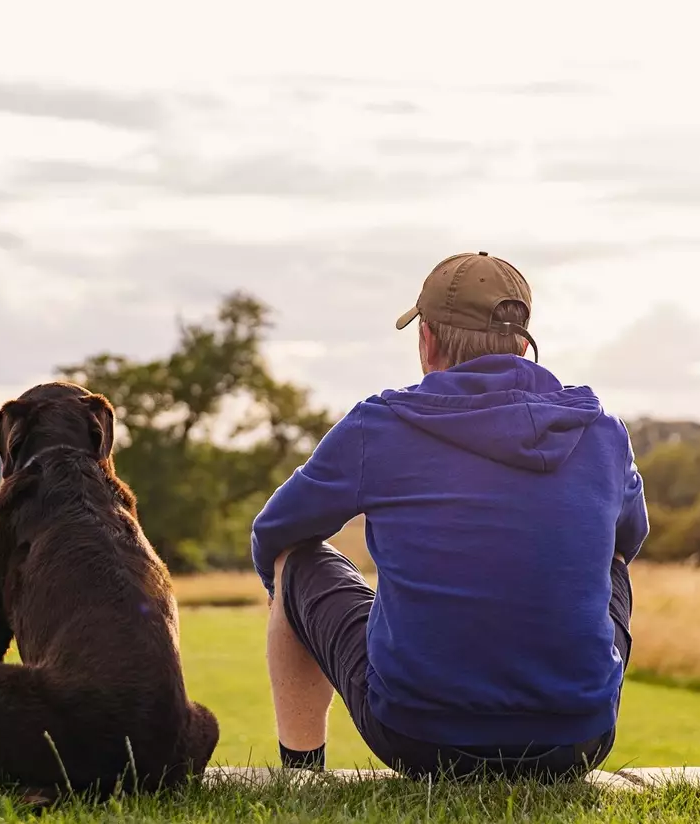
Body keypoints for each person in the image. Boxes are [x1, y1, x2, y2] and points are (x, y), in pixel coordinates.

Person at [250, 251, 648, 781]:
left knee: (293, 559)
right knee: (614, 556)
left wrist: (286, 602)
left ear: (428, 339)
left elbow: (276, 531)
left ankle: (300, 775)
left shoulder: (379, 424)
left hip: (418, 738)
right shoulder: (603, 431)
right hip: (577, 741)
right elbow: (629, 539)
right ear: (523, 344)